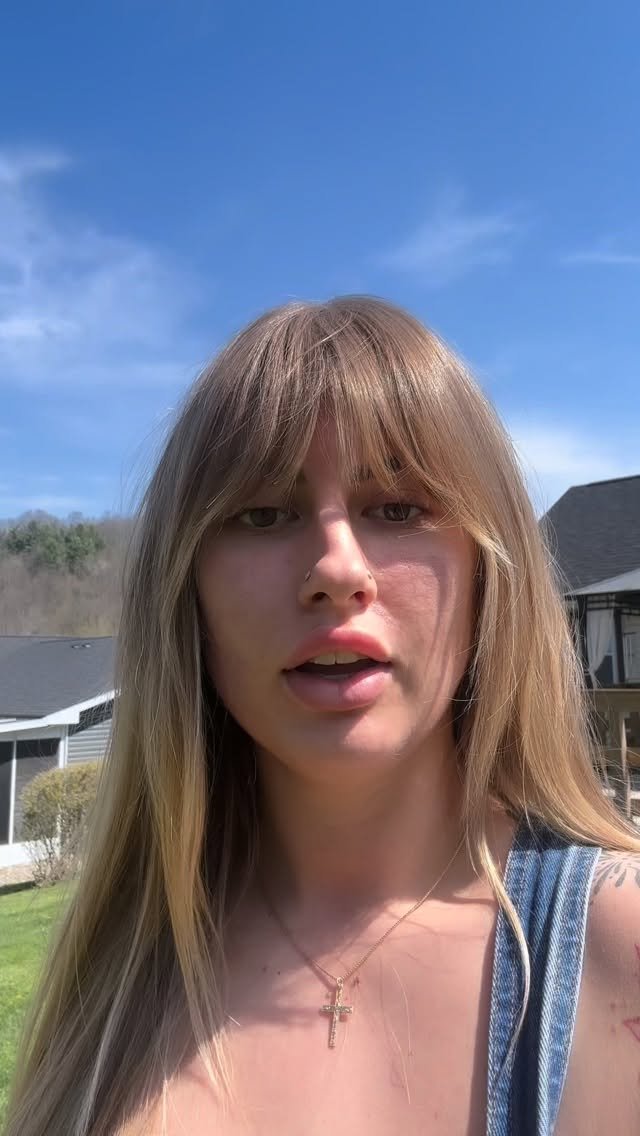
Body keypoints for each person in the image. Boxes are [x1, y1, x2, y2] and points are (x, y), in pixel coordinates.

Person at [6, 296, 640, 1136]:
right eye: (263, 513)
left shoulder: (618, 947)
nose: (337, 569)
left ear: (492, 574)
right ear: (187, 591)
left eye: (399, 507)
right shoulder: (117, 975)